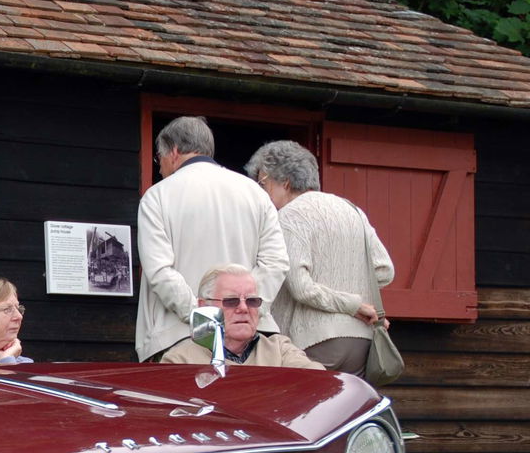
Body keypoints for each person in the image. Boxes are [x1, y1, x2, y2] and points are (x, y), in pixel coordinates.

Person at [135, 116, 288, 361]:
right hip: (251, 344)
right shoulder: (255, 193)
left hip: (180, 338)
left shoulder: (157, 197)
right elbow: (276, 263)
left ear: (173, 151)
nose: (160, 168)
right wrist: (245, 312)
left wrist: (205, 316)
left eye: (158, 159)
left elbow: (159, 270)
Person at [245, 139, 393, 378]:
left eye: (263, 183)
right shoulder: (352, 210)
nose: (260, 192)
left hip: (311, 342)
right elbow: (385, 271)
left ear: (285, 182)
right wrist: (353, 296)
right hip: (361, 342)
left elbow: (301, 288)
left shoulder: (288, 216)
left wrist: (351, 304)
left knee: (299, 413)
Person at [161, 265, 324, 369]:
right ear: (205, 307)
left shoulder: (279, 350)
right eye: (231, 301)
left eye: (252, 301)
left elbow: (317, 380)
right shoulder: (180, 361)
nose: (244, 308)